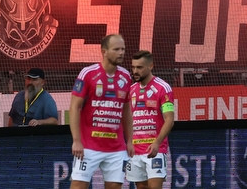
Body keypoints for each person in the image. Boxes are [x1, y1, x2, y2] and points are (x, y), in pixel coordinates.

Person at [69, 33, 133, 189]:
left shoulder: (126, 76)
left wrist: (130, 139)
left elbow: (126, 110)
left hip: (116, 148)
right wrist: (77, 140)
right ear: (104, 51)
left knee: (114, 187)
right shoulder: (88, 73)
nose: (121, 53)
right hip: (88, 146)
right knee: (78, 186)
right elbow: (74, 107)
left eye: (123, 49)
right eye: (116, 49)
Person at [127, 51, 175, 189]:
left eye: (140, 67)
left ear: (151, 66)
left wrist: (157, 143)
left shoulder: (163, 88)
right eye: (134, 67)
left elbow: (169, 120)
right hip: (135, 151)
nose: (135, 71)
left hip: (155, 150)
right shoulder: (131, 90)